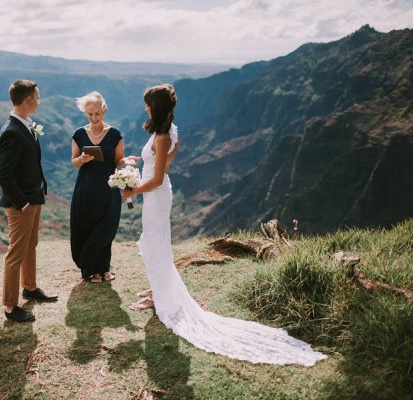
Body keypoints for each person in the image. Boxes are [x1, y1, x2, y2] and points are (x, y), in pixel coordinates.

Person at [122, 84, 326, 366]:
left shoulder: (163, 136)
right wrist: (137, 165)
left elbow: (157, 178)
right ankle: (159, 288)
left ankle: (160, 297)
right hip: (157, 194)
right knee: (156, 241)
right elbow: (162, 166)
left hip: (155, 194)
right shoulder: (167, 132)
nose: (145, 108)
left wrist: (133, 190)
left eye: (147, 104)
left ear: (154, 107)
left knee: (155, 242)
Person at [0, 79, 58, 323]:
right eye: (38, 97)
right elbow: (3, 175)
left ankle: (30, 287)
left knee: (31, 245)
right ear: (28, 100)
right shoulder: (11, 132)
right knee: (16, 253)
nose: (39, 101)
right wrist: (21, 203)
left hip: (34, 197)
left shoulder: (25, 125)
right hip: (21, 203)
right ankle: (10, 307)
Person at [70, 91, 139, 283]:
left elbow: (118, 159)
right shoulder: (79, 134)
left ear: (104, 110)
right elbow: (74, 161)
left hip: (109, 187)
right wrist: (82, 159)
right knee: (88, 226)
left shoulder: (115, 134)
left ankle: (104, 267)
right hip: (86, 188)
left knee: (107, 226)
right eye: (89, 114)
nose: (93, 118)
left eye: (97, 114)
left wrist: (127, 162)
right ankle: (91, 270)